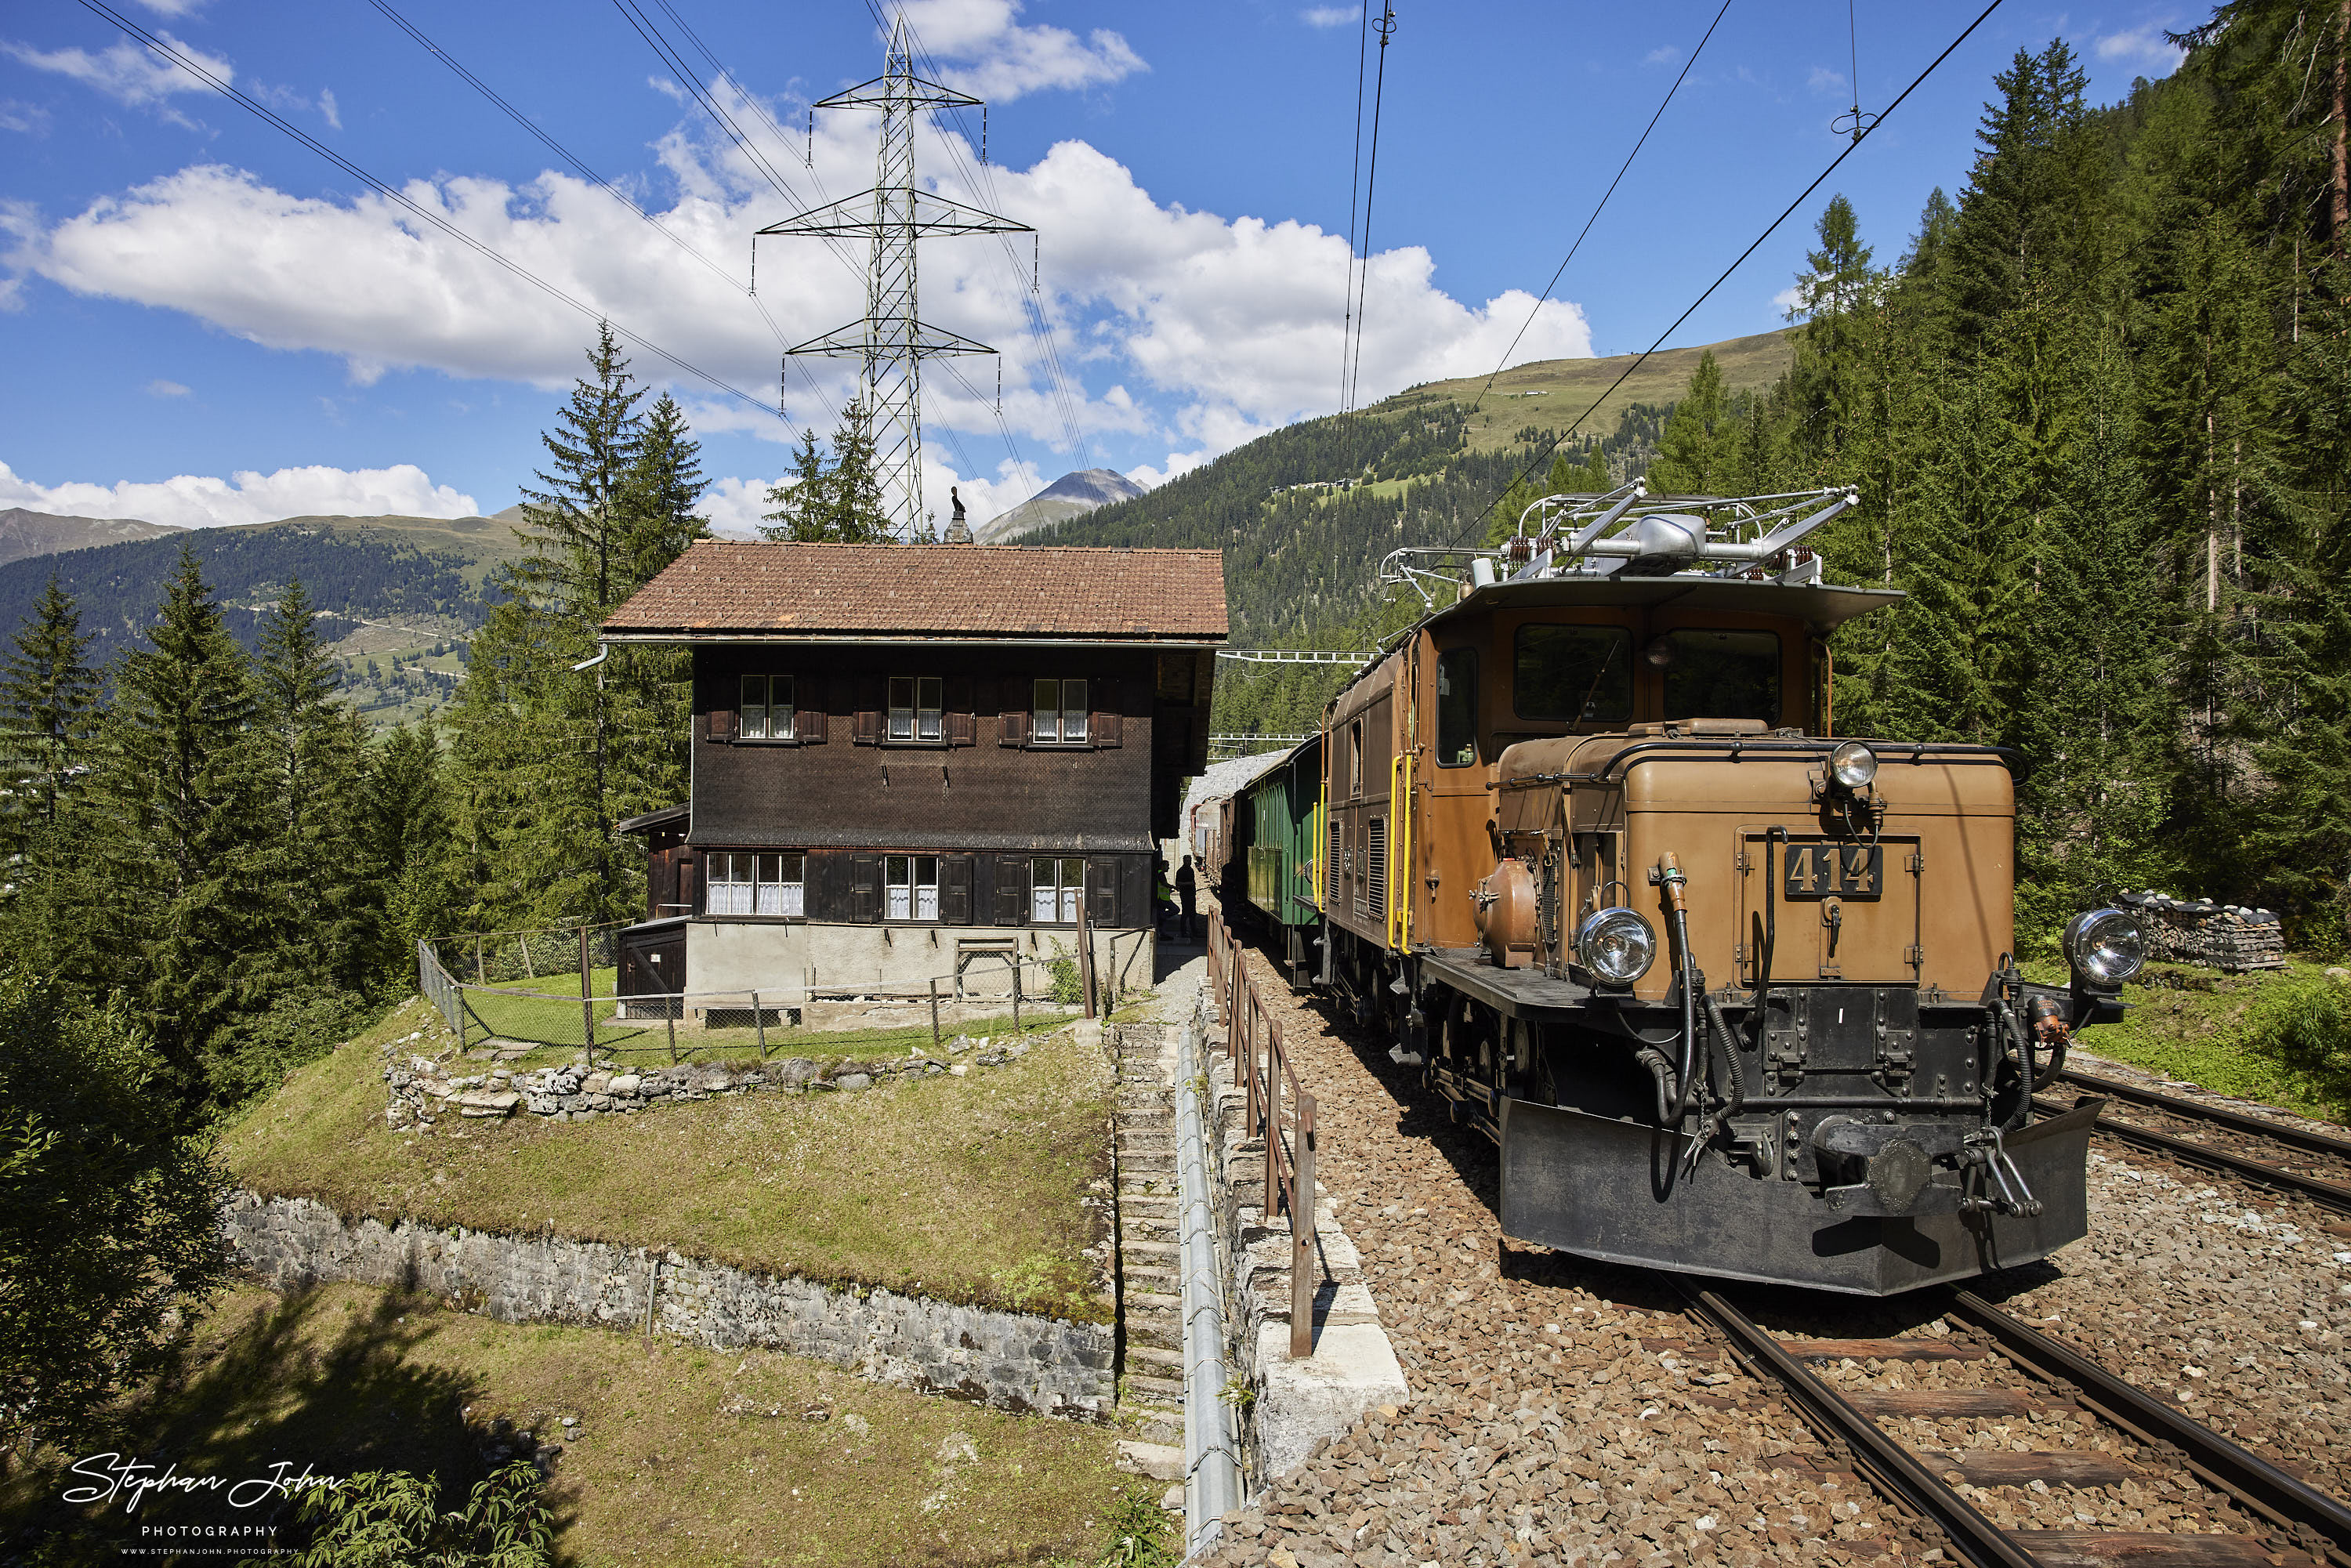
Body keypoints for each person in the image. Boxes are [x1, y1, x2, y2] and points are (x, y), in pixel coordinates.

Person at [1176, 856, 1198, 941]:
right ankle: (1183, 931)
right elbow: (1177, 883)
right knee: (1185, 913)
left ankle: (1194, 931)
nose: (1189, 862)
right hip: (1185, 895)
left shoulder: (1191, 870)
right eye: (1187, 861)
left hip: (1191, 894)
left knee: (1193, 913)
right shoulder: (1181, 871)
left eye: (1190, 860)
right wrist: (1189, 883)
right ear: (1184, 861)